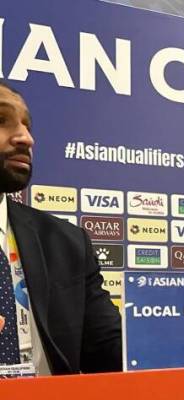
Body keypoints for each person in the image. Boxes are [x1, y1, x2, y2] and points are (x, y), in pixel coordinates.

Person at [0, 81, 120, 374]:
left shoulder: (66, 242)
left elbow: (114, 353)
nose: (26, 138)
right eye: (1, 120)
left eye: (28, 126)